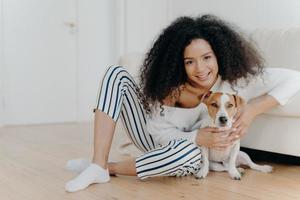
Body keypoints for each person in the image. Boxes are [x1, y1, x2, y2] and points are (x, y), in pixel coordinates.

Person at [65, 14, 300, 192]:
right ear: (180, 63)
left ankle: (108, 169)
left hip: (185, 154)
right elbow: (157, 134)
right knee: (116, 73)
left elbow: (294, 78)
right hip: (152, 139)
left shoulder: (237, 83)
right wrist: (196, 137)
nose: (200, 69)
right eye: (190, 62)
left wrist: (251, 111)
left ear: (220, 54)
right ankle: (97, 162)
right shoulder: (171, 87)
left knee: (187, 156)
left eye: (207, 58)